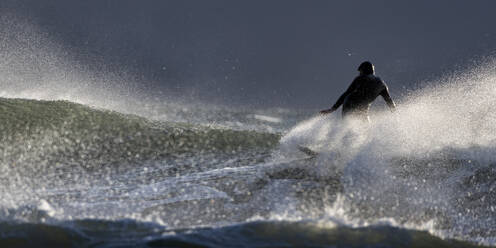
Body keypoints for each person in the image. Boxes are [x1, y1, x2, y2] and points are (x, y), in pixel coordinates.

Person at [320, 61, 396, 123]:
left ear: (364, 71)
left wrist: (333, 109)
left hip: (350, 104)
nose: (359, 73)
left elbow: (346, 93)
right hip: (356, 106)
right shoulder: (382, 84)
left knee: (356, 126)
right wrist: (395, 113)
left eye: (360, 71)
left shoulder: (360, 78)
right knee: (364, 127)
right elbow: (389, 101)